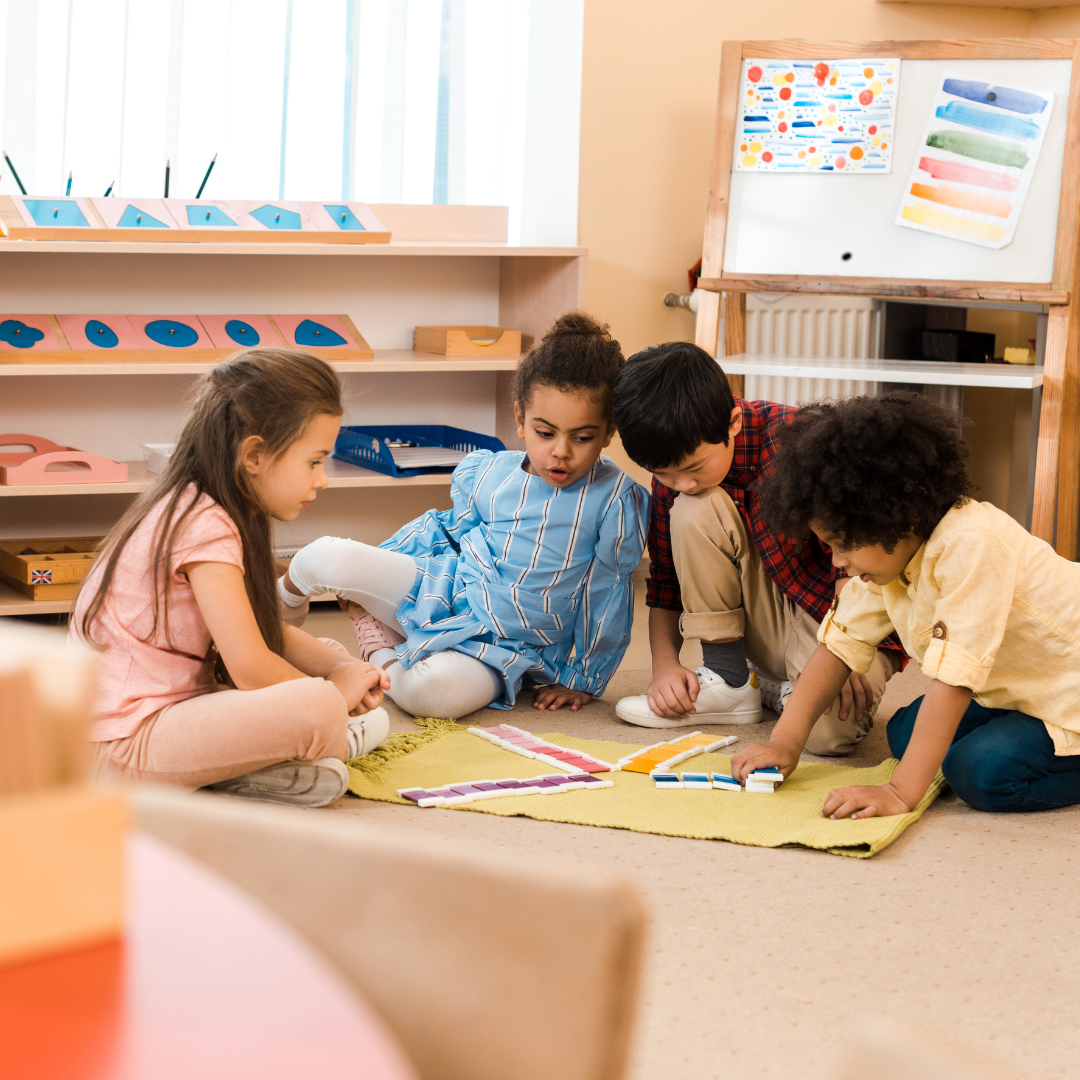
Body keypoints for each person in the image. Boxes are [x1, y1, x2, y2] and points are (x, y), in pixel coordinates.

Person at [280, 312, 649, 719]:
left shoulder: (615, 498)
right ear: (520, 418)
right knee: (325, 556)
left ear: (608, 432)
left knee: (432, 694)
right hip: (445, 589)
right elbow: (445, 531)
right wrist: (379, 567)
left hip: (511, 647)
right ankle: (272, 621)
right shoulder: (489, 472)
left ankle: (376, 652)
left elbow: (608, 595)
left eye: (582, 438)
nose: (561, 451)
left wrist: (584, 679)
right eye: (546, 433)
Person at [731, 391, 1080, 817]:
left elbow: (954, 682)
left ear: (899, 517)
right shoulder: (890, 557)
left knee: (980, 774)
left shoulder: (972, 545)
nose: (837, 562)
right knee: (903, 733)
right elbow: (838, 646)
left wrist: (899, 792)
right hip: (1019, 688)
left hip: (1068, 695)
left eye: (843, 546)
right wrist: (783, 742)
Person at [72, 349, 391, 808]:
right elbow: (249, 666)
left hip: (166, 717)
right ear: (255, 455)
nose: (322, 480)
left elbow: (258, 635)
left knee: (331, 660)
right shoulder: (203, 524)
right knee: (319, 706)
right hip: (121, 747)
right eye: (314, 461)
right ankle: (320, 742)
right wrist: (334, 694)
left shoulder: (204, 505)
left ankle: (249, 769)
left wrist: (337, 670)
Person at [610, 342, 902, 752]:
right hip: (764, 615)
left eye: (693, 469)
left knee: (828, 736)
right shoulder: (678, 482)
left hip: (837, 613)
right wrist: (664, 668)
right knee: (691, 510)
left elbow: (851, 565)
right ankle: (730, 680)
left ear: (732, 423)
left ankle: (772, 686)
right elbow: (665, 582)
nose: (681, 484)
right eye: (664, 474)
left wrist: (847, 646)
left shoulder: (799, 440)